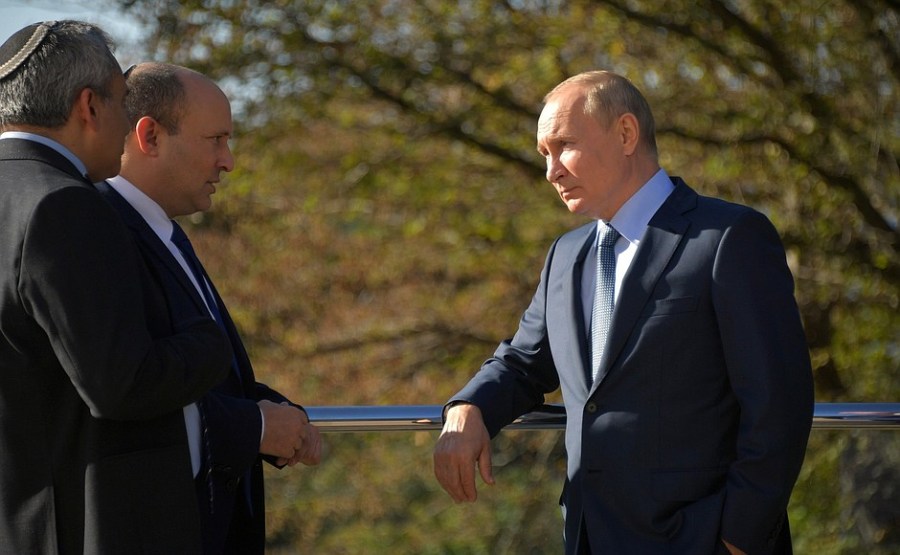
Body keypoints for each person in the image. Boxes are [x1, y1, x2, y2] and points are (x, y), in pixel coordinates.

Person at [433, 70, 814, 554]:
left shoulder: (729, 238)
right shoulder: (566, 255)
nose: (551, 171)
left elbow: (779, 403)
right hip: (590, 538)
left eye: (564, 145)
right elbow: (523, 363)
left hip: (700, 539)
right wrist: (468, 409)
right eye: (544, 154)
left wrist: (739, 539)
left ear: (627, 134)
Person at [0, 21, 234, 554]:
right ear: (89, 106)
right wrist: (208, 340)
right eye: (122, 102)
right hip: (83, 527)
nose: (129, 123)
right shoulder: (64, 203)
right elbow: (121, 383)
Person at [95, 62, 322, 555]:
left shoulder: (164, 232)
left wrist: (277, 415)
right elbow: (123, 394)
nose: (229, 162)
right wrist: (256, 428)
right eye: (215, 140)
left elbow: (195, 377)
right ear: (150, 136)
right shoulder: (99, 234)